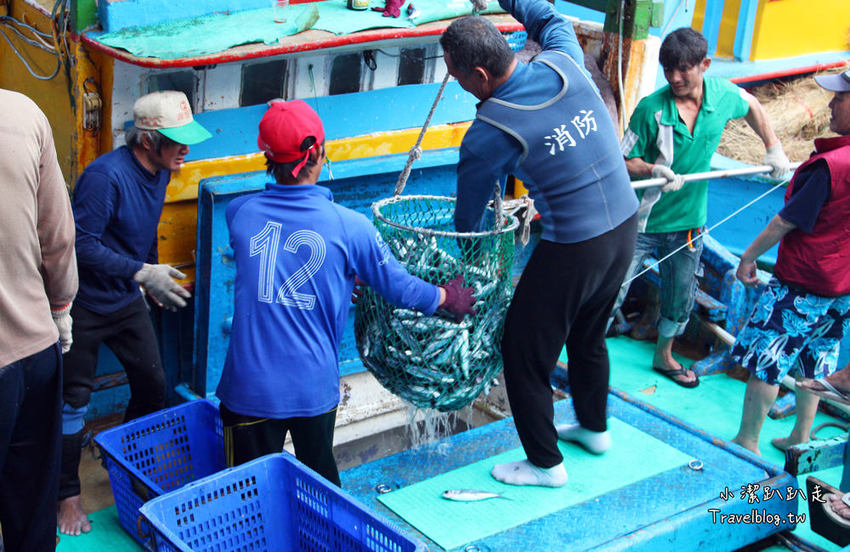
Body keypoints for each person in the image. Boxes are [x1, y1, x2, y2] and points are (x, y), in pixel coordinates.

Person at [215, 100, 475, 486]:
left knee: (246, 493)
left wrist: (337, 277)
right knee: (321, 489)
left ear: (267, 158)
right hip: (312, 390)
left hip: (247, 391)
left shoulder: (240, 213)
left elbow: (276, 257)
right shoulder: (352, 227)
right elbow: (400, 288)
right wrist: (444, 298)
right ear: (316, 153)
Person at [442, 0, 639, 488]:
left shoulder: (488, 132)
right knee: (588, 333)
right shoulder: (562, 57)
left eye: (458, 77)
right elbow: (547, 14)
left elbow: (469, 222)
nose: (460, 86)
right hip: (626, 224)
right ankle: (594, 428)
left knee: (523, 350)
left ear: (482, 74)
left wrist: (467, 274)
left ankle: (544, 464)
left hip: (576, 246)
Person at [57, 91, 212, 535]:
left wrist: (152, 280)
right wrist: (144, 272)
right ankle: (66, 496)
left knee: (153, 385)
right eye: (176, 140)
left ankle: (118, 454)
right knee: (72, 406)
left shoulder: (162, 170)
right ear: (146, 140)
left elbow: (144, 230)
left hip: (126, 298)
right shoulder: (105, 178)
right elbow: (81, 245)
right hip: (82, 303)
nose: (186, 149)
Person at [615, 27, 790, 388]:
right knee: (609, 286)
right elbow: (621, 159)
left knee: (681, 294)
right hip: (640, 221)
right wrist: (652, 169)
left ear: (705, 64)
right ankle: (583, 347)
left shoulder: (722, 97)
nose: (675, 78)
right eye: (668, 70)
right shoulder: (651, 109)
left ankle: (664, 356)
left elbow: (753, 105)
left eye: (684, 69)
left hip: (689, 222)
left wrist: (773, 147)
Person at [729, 67, 850, 456]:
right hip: (842, 287)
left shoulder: (832, 166)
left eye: (841, 99)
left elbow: (786, 221)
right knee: (816, 363)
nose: (832, 104)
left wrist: (748, 256)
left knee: (768, 357)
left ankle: (748, 440)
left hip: (803, 281)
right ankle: (801, 438)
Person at [0, 89, 77, 551]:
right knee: (32, 509)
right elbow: (58, 236)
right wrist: (61, 308)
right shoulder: (24, 112)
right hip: (36, 350)